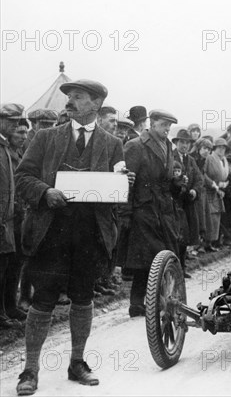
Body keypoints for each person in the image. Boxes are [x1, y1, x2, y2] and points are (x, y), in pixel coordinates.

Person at [15, 80, 134, 395]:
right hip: (51, 232)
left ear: (95, 103)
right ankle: (30, 370)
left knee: (83, 298)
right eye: (68, 97)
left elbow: (117, 191)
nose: (69, 101)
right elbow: (23, 177)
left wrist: (124, 183)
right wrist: (46, 191)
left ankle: (77, 362)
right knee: (43, 301)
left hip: (90, 234)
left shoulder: (113, 144)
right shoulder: (45, 138)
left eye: (77, 97)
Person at [123, 109, 179, 318]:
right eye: (164, 125)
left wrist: (176, 182)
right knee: (148, 256)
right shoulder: (136, 146)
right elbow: (126, 183)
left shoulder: (168, 146)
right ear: (152, 123)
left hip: (164, 210)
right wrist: (126, 214)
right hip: (143, 208)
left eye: (169, 127)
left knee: (158, 255)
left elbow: (167, 178)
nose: (167, 130)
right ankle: (142, 302)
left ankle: (146, 302)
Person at [0, 104, 23, 330]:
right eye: (10, 121)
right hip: (2, 218)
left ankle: (8, 307)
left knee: (8, 266)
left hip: (8, 218)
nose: (15, 125)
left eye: (17, 121)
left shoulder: (6, 147)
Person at [172, 129, 201, 277]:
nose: (185, 145)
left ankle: (182, 268)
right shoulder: (170, 157)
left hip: (187, 204)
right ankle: (173, 269)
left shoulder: (191, 160)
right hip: (174, 204)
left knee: (184, 238)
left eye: (187, 143)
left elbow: (199, 179)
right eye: (182, 142)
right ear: (176, 143)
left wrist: (195, 190)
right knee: (175, 237)